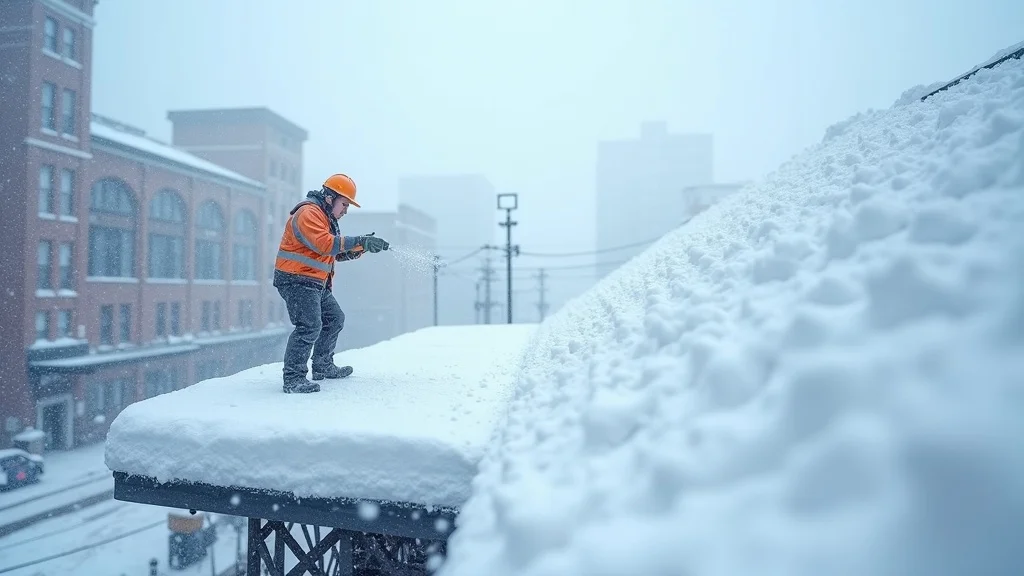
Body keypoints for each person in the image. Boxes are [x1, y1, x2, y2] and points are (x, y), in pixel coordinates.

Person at [273, 173, 389, 393]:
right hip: (296, 279)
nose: (345, 210)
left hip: (314, 282)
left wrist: (362, 247)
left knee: (334, 318)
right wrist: (360, 240)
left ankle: (323, 366)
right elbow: (325, 245)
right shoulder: (309, 213)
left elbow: (334, 253)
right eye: (344, 204)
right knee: (309, 326)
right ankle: (293, 379)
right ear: (329, 198)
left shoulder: (326, 218)